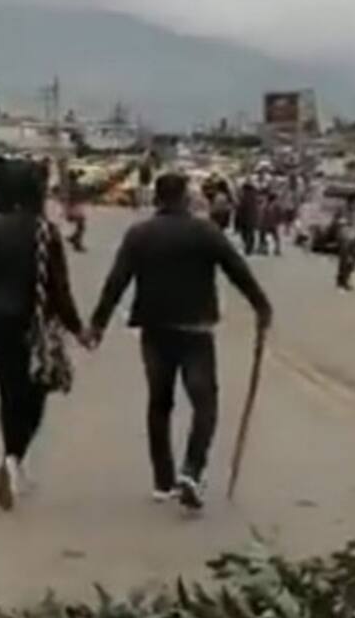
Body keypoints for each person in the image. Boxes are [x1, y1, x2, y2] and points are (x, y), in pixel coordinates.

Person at [88, 173, 272, 512]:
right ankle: (192, 470)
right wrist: (261, 306)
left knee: (160, 402)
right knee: (204, 402)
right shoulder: (205, 232)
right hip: (195, 329)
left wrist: (97, 324)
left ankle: (163, 481)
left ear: (157, 198)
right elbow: (237, 270)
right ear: (186, 197)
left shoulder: (140, 235)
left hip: (155, 328)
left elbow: (117, 281)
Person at [0, 160, 86, 511]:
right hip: (33, 325)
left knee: (9, 392)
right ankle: (13, 458)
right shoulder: (45, 232)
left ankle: (13, 462)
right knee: (34, 394)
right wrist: (79, 329)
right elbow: (59, 290)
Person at [234, 181, 260, 255]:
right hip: (252, 218)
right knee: (250, 233)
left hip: (245, 218)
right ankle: (249, 247)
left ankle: (248, 248)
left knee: (245, 233)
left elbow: (241, 207)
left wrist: (237, 207)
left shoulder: (246, 197)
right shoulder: (254, 196)